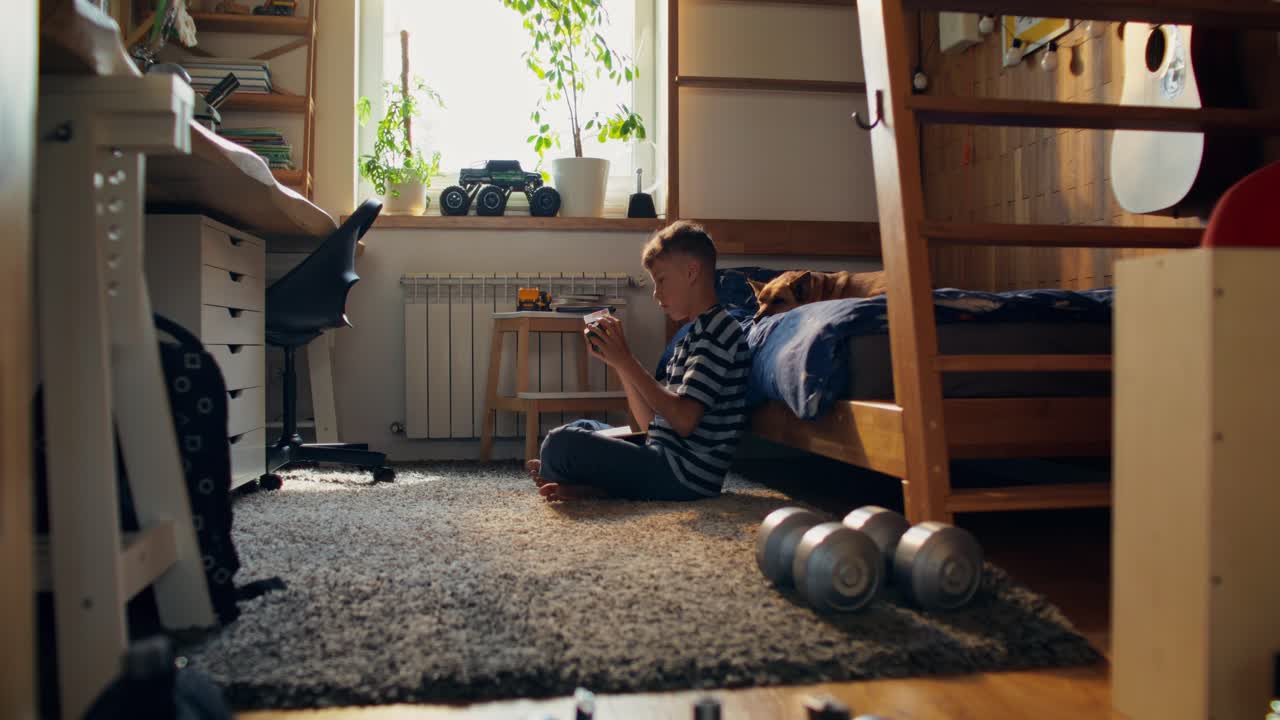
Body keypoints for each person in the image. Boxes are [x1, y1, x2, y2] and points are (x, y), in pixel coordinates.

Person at [527, 221, 750, 501]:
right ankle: (585, 483)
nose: (656, 293)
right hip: (660, 455)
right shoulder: (690, 336)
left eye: (662, 280)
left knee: (560, 445)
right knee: (585, 429)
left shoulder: (720, 330)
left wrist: (628, 359)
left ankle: (584, 482)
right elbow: (649, 425)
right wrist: (620, 364)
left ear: (691, 272)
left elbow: (684, 420)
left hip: (682, 475)